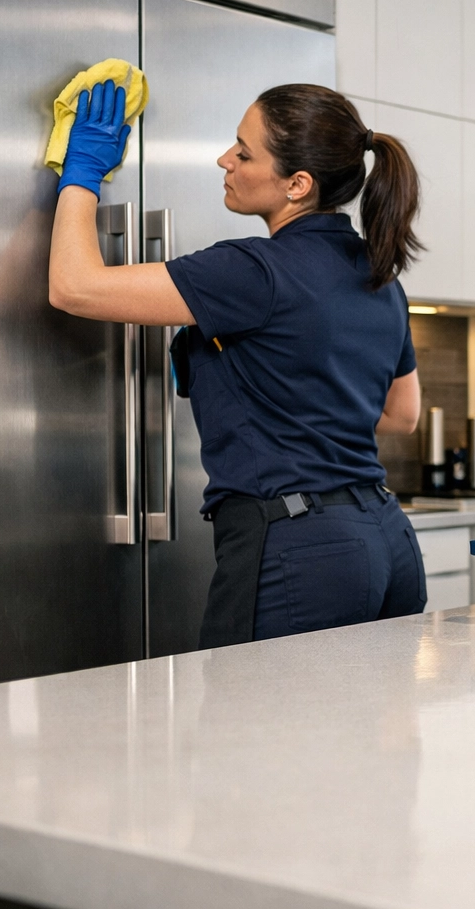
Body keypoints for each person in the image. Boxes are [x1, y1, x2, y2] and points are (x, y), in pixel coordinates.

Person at [48, 78, 428, 646]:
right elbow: (403, 415)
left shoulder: (255, 271)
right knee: (358, 735)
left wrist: (82, 174)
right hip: (386, 540)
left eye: (245, 153)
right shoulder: (379, 277)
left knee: (248, 733)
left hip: (300, 549)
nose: (225, 159)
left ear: (297, 185)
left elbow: (74, 288)